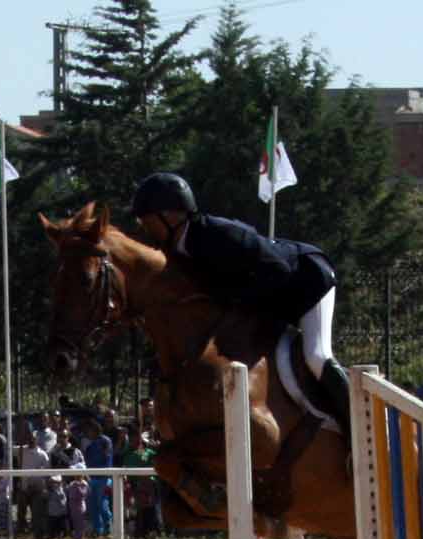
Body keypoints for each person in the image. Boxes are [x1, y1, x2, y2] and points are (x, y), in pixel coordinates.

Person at [125, 170, 351, 430]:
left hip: (308, 280)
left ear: (171, 215)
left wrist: (237, 305)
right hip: (274, 299)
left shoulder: (218, 234)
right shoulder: (176, 251)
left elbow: (277, 269)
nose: (144, 227)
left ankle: (357, 427)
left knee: (316, 356)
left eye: (147, 220)